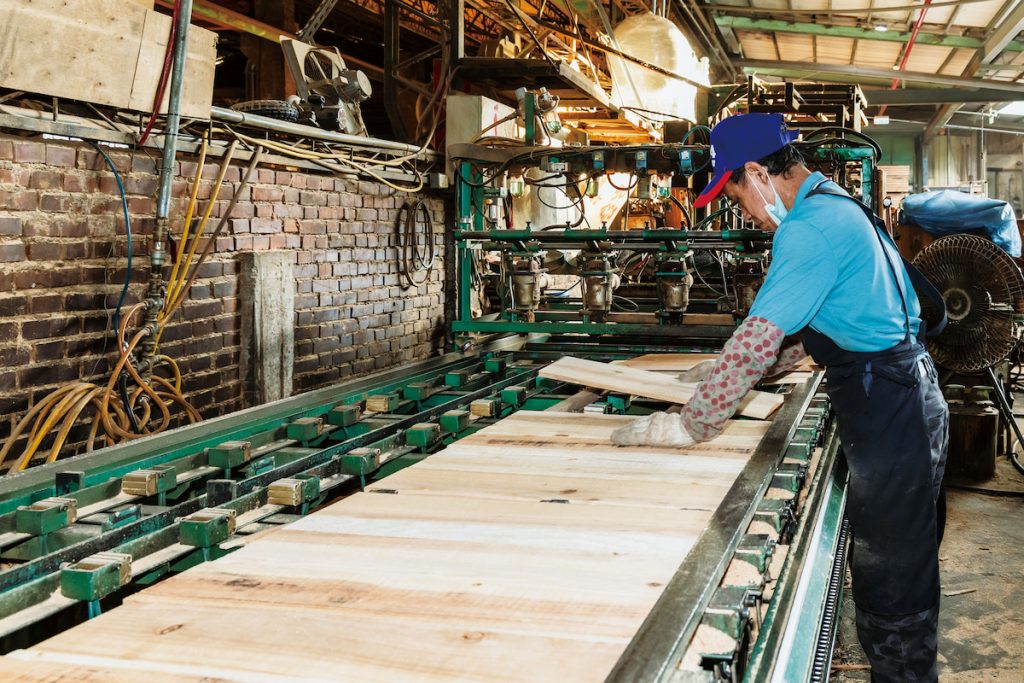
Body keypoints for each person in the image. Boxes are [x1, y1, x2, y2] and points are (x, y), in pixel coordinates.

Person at [612, 113, 949, 683]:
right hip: (904, 394)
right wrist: (722, 373)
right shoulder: (836, 204)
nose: (746, 213)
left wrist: (690, 425)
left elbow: (761, 332)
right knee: (901, 564)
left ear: (755, 173)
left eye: (736, 195)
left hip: (891, 409)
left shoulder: (809, 229)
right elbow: (834, 321)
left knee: (894, 584)